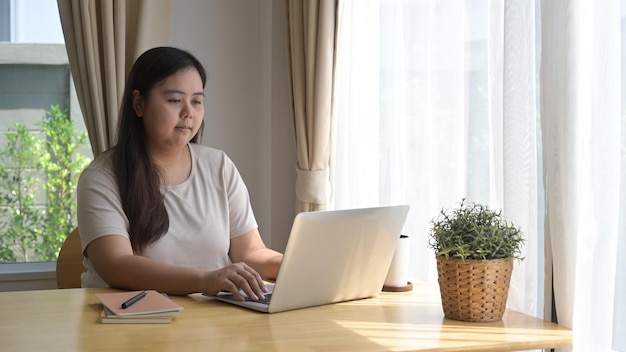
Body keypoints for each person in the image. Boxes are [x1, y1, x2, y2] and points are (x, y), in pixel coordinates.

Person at [77, 46, 282, 301]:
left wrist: (295, 265)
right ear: (139, 103)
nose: (188, 113)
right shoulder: (102, 177)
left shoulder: (219, 166)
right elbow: (116, 265)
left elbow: (250, 252)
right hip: (133, 323)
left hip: (213, 323)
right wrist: (204, 280)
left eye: (196, 101)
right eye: (175, 100)